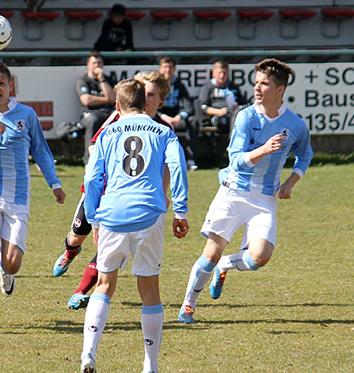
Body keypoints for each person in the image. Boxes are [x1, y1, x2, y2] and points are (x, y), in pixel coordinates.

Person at [178, 59, 314, 324]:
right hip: (233, 193)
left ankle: (225, 266)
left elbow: (305, 156)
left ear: (280, 90)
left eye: (265, 83)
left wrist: (290, 182)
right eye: (256, 83)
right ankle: (188, 305)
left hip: (264, 199)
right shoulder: (245, 116)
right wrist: (264, 149)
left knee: (259, 258)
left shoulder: (295, 124)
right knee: (211, 253)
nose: (258, 88)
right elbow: (236, 160)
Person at [80, 78, 189, 373]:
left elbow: (92, 179)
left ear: (117, 105)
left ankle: (88, 353)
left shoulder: (107, 133)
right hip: (149, 213)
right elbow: (178, 166)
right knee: (150, 290)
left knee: (104, 285)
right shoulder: (164, 131)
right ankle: (150, 364)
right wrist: (180, 210)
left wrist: (93, 217)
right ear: (145, 104)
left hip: (113, 214)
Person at [54, 71, 178, 311]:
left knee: (107, 248)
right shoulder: (117, 118)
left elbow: (167, 166)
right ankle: (71, 250)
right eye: (144, 92)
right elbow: (94, 147)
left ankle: (80, 291)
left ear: (160, 100)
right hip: (100, 192)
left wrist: (163, 194)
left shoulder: (163, 128)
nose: (147, 98)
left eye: (152, 94)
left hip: (128, 202)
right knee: (77, 234)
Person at [0, 60, 66, 328]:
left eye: (2, 83)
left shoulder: (26, 115)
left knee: (12, 263)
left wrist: (54, 183)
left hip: (18, 196)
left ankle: (5, 272)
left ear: (11, 85)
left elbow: (41, 151)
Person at [158, 56, 198, 171]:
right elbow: (149, 106)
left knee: (194, 121)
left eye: (170, 67)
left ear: (174, 69)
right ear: (160, 69)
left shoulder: (179, 84)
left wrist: (179, 117)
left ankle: (190, 159)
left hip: (175, 119)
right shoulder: (156, 85)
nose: (168, 70)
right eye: (165, 67)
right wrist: (163, 117)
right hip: (159, 118)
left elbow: (188, 106)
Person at [76, 51, 115, 163]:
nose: (97, 65)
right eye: (94, 63)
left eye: (99, 63)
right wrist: (107, 99)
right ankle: (89, 160)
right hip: (89, 113)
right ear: (88, 64)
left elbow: (113, 98)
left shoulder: (108, 80)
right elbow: (86, 100)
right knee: (94, 120)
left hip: (108, 112)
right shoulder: (83, 80)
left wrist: (102, 80)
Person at [196, 60, 248, 134]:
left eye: (225, 73)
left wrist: (238, 107)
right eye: (220, 73)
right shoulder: (208, 87)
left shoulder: (233, 87)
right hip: (217, 117)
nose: (222, 76)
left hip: (233, 115)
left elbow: (245, 104)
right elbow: (203, 107)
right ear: (214, 74)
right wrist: (219, 112)